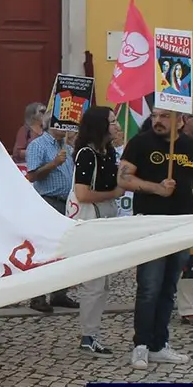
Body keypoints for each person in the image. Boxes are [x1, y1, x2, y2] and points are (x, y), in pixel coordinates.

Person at [119, 108, 193, 369]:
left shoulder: (191, 147)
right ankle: (141, 345)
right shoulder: (140, 143)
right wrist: (156, 188)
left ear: (180, 120)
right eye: (156, 115)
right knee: (149, 287)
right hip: (150, 226)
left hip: (180, 227)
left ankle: (160, 344)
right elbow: (123, 179)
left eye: (165, 116)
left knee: (169, 288)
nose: (157, 120)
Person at [71, 106, 125, 355]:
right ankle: (88, 335)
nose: (116, 126)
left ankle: (92, 332)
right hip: (92, 219)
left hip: (105, 218)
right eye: (112, 121)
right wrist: (113, 194)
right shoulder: (87, 154)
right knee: (94, 283)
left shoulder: (108, 152)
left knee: (103, 283)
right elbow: (82, 194)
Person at [25, 125, 81, 312]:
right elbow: (32, 176)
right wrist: (53, 164)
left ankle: (59, 293)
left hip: (67, 203)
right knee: (43, 249)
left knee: (64, 249)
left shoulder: (67, 146)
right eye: (63, 123)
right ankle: (38, 296)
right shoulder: (38, 145)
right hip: (47, 201)